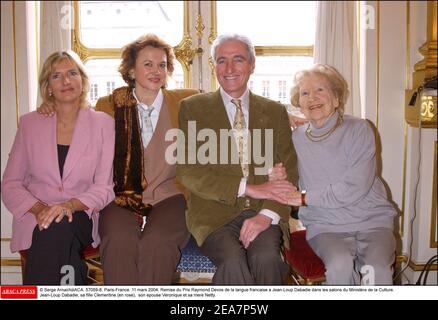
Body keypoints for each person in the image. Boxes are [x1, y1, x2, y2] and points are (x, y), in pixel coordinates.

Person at [38, 34, 198, 284]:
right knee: (118, 240)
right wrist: (49, 108)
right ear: (131, 70)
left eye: (162, 65)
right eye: (148, 64)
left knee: (158, 243)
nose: (156, 70)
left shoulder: (185, 102)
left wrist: (283, 119)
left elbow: (221, 112)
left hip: (170, 194)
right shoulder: (108, 105)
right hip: (119, 195)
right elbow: (75, 120)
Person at [176, 34, 298, 285]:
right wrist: (248, 187)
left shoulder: (275, 111)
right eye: (221, 61)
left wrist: (266, 215)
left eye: (238, 59)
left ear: (252, 65)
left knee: (266, 258)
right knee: (232, 260)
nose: (229, 69)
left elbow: (291, 172)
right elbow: (188, 171)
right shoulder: (192, 108)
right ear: (213, 67)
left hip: (263, 208)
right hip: (212, 214)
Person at [2, 51, 115, 285]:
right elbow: (10, 184)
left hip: (80, 214)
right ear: (48, 86)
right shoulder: (30, 124)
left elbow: (104, 188)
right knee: (55, 231)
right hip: (36, 216)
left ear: (83, 82)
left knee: (57, 228)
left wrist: (67, 206)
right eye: (57, 76)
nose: (66, 81)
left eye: (72, 73)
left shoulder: (104, 124)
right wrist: (40, 209)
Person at [285, 63, 396, 285]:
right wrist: (283, 114)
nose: (312, 97)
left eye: (320, 90)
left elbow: (354, 188)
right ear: (299, 103)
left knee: (376, 270)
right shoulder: (296, 138)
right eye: (305, 93)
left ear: (336, 98)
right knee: (339, 265)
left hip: (371, 221)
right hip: (326, 226)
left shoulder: (359, 129)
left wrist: (305, 198)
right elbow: (255, 114)